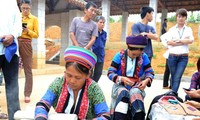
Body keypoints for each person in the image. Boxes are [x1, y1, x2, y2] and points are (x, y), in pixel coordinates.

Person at [35, 46, 110, 120]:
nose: (72, 81)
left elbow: (105, 115)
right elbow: (43, 104)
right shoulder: (58, 83)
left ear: (87, 75)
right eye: (69, 75)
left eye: (78, 78)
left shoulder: (93, 89)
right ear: (65, 72)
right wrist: (40, 117)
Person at [107, 35, 154, 120]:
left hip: (136, 85)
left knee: (136, 94)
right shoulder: (119, 56)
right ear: (129, 48)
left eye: (137, 55)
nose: (135, 56)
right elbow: (110, 73)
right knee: (123, 94)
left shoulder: (143, 57)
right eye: (133, 54)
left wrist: (146, 80)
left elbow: (150, 72)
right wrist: (121, 78)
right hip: (120, 85)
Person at [161, 8, 194, 93]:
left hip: (183, 57)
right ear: (176, 17)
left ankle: (173, 93)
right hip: (172, 57)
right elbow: (169, 42)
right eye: (179, 16)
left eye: (183, 16)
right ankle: (172, 93)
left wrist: (177, 40)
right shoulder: (172, 30)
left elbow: (191, 40)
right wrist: (183, 41)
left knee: (177, 76)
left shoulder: (188, 29)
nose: (181, 18)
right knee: (173, 76)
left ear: (185, 18)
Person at [0, 0, 22, 119]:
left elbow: (18, 24)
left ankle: (14, 116)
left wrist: (12, 35)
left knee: (12, 84)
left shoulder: (13, 3)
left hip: (11, 51)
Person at [18, 0, 39, 103]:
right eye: (23, 8)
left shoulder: (34, 19)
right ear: (20, 7)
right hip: (15, 42)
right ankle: (13, 92)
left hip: (27, 42)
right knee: (10, 66)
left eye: (27, 8)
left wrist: (28, 31)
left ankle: (27, 94)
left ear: (30, 8)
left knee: (28, 69)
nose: (25, 10)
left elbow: (36, 34)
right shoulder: (17, 16)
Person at [91, 16, 107, 82]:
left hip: (100, 56)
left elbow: (103, 44)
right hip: (92, 55)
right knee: (89, 73)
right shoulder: (92, 32)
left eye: (103, 23)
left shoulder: (105, 33)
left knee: (98, 73)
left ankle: (93, 85)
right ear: (96, 23)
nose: (102, 24)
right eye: (100, 22)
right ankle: (89, 86)